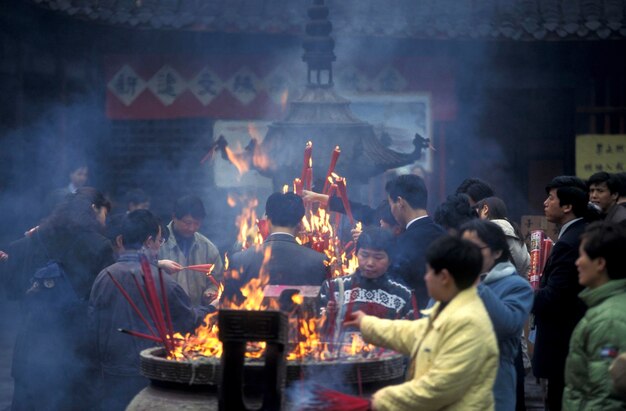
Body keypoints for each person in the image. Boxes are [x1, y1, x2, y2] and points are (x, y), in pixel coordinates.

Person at [344, 236, 499, 410]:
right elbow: (413, 333)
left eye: (428, 272)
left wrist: (380, 400)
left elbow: (437, 388)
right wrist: (365, 323)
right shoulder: (448, 310)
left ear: (444, 277)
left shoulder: (468, 323)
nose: (425, 279)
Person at [89, 210, 212, 411]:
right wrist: (211, 308)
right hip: (147, 372)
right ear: (148, 241)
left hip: (110, 373)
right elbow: (189, 322)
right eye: (159, 240)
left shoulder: (105, 276)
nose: (159, 246)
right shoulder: (162, 282)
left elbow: (93, 324)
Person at [7, 187, 115, 411]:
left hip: (34, 342)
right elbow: (103, 301)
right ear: (94, 209)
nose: (107, 218)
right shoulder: (100, 246)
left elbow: (15, 290)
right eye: (105, 212)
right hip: (78, 347)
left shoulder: (32, 240)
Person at [460, 219, 534, 411]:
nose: (466, 255)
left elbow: (506, 326)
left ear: (497, 252)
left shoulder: (517, 286)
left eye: (474, 248)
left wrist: (476, 284)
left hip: (493, 387)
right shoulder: (455, 283)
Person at [532, 176, 589, 411]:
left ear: (568, 206)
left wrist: (522, 296)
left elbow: (555, 296)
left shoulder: (569, 242)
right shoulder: (578, 232)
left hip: (563, 343)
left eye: (551, 198)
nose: (545, 203)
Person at [562, 222, 626, 410]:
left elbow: (605, 398)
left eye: (582, 256)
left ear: (600, 263)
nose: (577, 262)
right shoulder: (605, 308)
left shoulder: (609, 320)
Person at [224, 192, 328, 302]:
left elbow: (229, 306)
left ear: (267, 222)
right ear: (300, 224)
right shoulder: (320, 261)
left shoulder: (239, 260)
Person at [318, 227, 413, 323]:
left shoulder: (403, 295)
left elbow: (409, 334)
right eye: (364, 255)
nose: (370, 263)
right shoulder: (333, 287)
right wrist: (328, 316)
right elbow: (314, 328)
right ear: (356, 254)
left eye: (378, 257)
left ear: (390, 260)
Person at [385, 174, 446, 310]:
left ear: (400, 202)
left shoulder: (403, 242)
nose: (391, 210)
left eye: (391, 204)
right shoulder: (444, 235)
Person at [159, 195, 224, 306]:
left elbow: (217, 280)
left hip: (197, 315)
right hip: (164, 316)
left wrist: (211, 292)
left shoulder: (208, 248)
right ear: (174, 217)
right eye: (187, 223)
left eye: (197, 223)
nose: (192, 228)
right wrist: (158, 264)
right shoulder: (158, 242)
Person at [474, 196, 531, 278]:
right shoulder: (513, 229)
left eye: (478, 214)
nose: (477, 220)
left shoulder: (491, 230)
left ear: (485, 209)